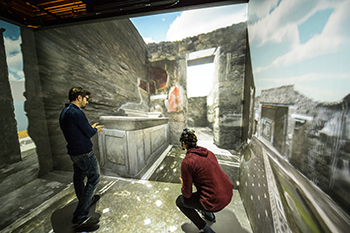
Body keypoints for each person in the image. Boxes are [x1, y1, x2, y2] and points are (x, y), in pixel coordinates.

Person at [59, 87, 104, 226]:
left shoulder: (65, 112)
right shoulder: (77, 112)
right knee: (94, 178)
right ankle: (81, 216)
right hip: (84, 153)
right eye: (86, 99)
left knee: (78, 176)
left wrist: (89, 128)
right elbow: (89, 133)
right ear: (79, 98)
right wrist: (94, 129)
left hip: (74, 152)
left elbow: (77, 131)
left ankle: (84, 200)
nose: (87, 102)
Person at [176, 128, 234, 233]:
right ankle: (209, 216)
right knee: (201, 191)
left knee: (180, 201)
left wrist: (183, 184)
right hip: (228, 194)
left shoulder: (187, 162)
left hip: (214, 202)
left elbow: (187, 194)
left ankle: (206, 228)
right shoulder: (209, 153)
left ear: (183, 143)